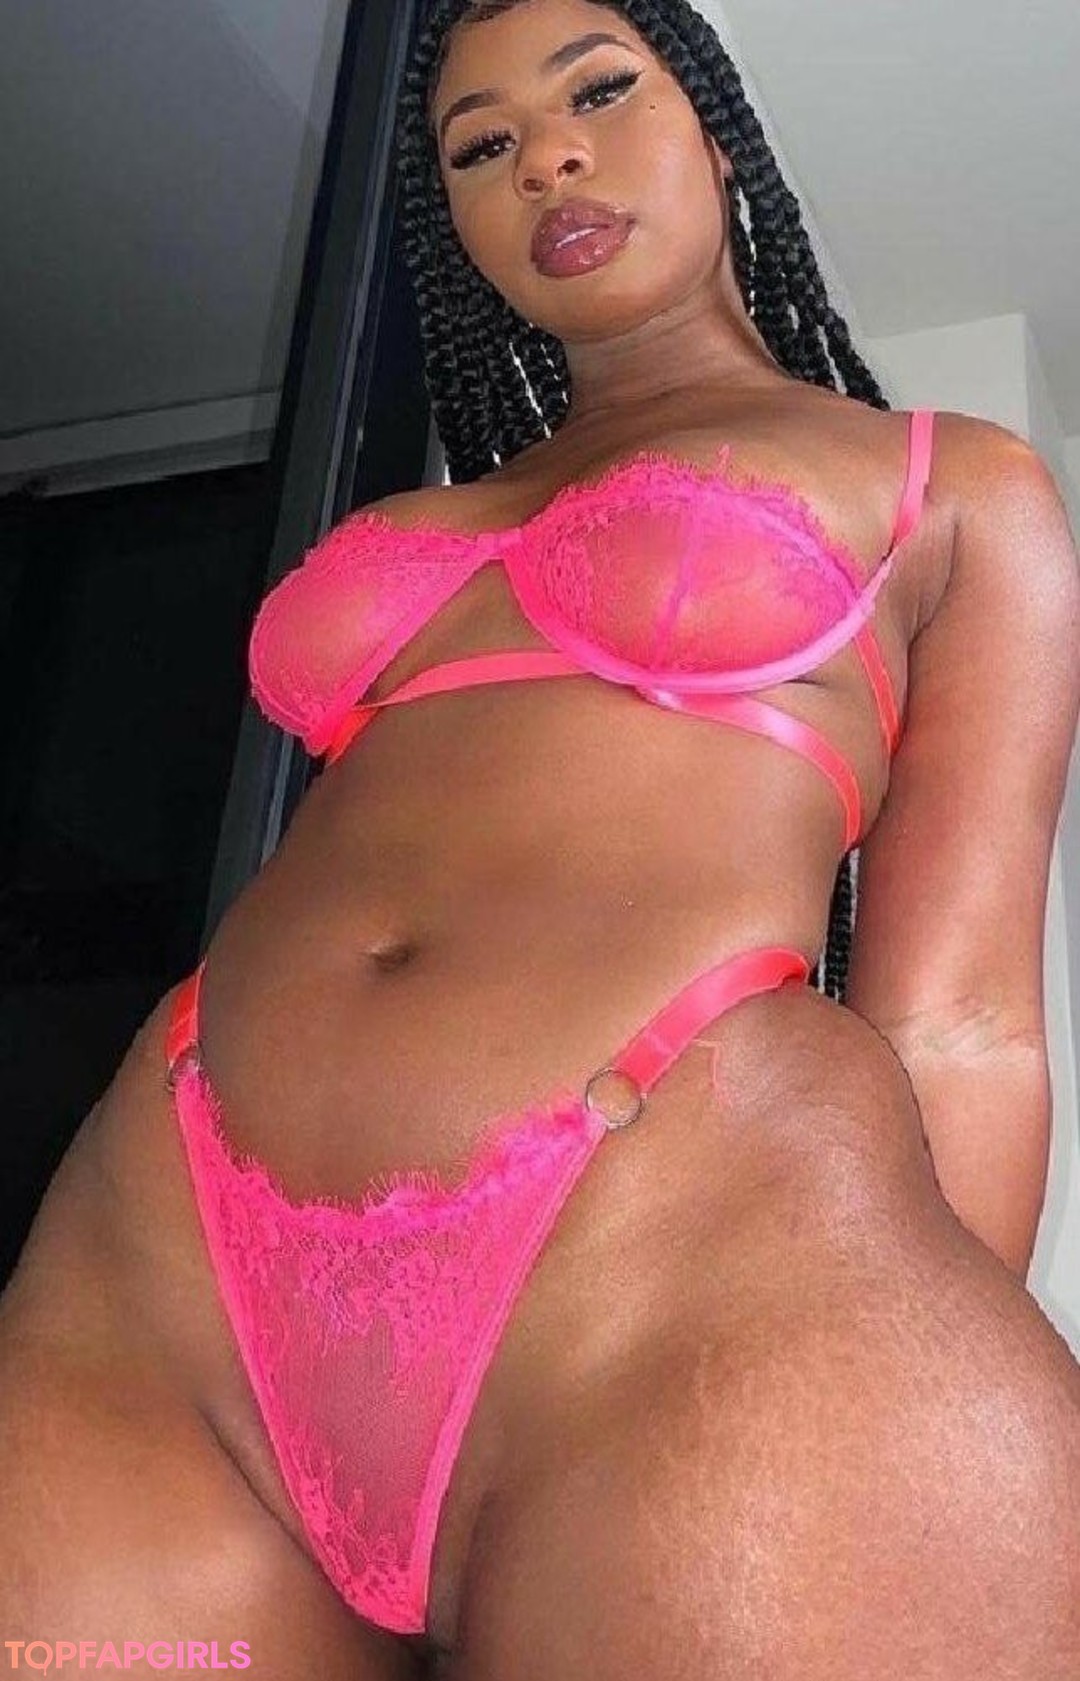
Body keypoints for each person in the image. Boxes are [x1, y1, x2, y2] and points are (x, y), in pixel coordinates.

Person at [2, 0, 1079, 1675]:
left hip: (672, 1246)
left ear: (715, 126)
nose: (547, 161)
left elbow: (963, 1019)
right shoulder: (409, 520)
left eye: (598, 93)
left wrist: (923, 1302)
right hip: (169, 1260)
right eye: (482, 145)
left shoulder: (954, 483)